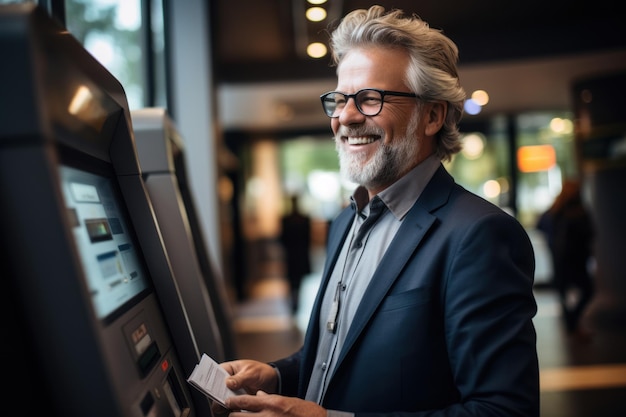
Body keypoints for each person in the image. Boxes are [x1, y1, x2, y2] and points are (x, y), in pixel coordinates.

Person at [213, 6, 539, 417]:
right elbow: (338, 359)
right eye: (339, 99)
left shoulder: (480, 235)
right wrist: (278, 376)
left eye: (369, 99)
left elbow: (505, 410)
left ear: (432, 115)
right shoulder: (345, 222)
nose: (346, 117)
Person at [537, 179, 595, 338]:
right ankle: (572, 323)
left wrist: (551, 242)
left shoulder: (556, 210)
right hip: (575, 259)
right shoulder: (577, 211)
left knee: (565, 293)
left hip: (561, 259)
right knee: (587, 290)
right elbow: (590, 233)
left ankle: (571, 323)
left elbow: (540, 225)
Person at [280, 194, 312, 313]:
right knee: (297, 280)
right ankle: (295, 300)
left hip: (292, 254)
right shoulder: (303, 219)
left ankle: (294, 300)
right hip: (300, 254)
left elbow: (283, 239)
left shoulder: (287, 219)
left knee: (293, 279)